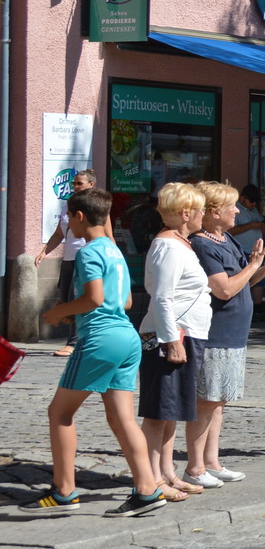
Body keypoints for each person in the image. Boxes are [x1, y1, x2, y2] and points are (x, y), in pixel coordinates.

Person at [17, 188, 167, 517]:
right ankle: (147, 489)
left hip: (99, 340)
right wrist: (78, 310)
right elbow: (125, 301)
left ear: (79, 217)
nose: (69, 223)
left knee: (60, 414)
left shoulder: (87, 252)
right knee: (122, 418)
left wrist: (61, 312)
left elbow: (95, 299)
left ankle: (64, 490)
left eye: (69, 217)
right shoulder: (115, 251)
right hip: (127, 337)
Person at [185, 181, 265, 488]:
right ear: (213, 212)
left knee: (219, 401)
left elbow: (243, 279)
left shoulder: (225, 240)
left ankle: (212, 462)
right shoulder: (203, 245)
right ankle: (194, 466)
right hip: (215, 333)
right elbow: (225, 288)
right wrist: (255, 265)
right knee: (206, 402)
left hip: (234, 334)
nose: (237, 211)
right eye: (231, 206)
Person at [137, 181, 212, 501]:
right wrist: (171, 341)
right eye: (200, 211)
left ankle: (166, 472)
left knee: (170, 411)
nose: (203, 215)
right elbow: (163, 298)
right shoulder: (167, 246)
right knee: (158, 412)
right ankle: (150, 478)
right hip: (168, 336)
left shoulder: (180, 243)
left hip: (184, 333)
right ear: (185, 214)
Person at [36, 170, 98, 357]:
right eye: (74, 183)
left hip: (84, 257)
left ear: (91, 185)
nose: (75, 186)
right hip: (68, 259)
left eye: (79, 183)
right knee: (65, 298)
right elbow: (59, 234)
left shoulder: (95, 206)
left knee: (76, 298)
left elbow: (105, 233)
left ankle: (74, 342)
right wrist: (44, 252)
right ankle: (78, 341)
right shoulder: (67, 206)